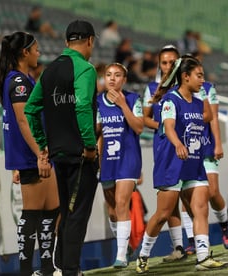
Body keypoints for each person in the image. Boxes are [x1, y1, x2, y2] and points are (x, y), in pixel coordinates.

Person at [136, 56, 228, 274]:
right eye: (199, 76)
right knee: (162, 214)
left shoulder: (197, 102)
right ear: (185, 77)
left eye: (203, 76)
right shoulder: (171, 100)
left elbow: (208, 115)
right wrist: (178, 144)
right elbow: (168, 127)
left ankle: (203, 256)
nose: (202, 80)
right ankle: (143, 254)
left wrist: (204, 93)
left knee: (200, 209)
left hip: (194, 163)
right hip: (172, 163)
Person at [24, 20, 98, 276]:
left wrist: (43, 144)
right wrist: (89, 146)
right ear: (90, 40)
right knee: (77, 215)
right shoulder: (85, 69)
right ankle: (70, 270)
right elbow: (82, 107)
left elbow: (31, 109)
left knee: (66, 214)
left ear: (66, 42)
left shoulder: (49, 70)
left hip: (58, 154)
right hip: (80, 156)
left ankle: (62, 268)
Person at [0, 31, 59, 276]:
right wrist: (40, 155)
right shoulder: (19, 82)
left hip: (33, 154)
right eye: (36, 49)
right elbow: (23, 122)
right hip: (31, 156)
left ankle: (45, 268)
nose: (39, 53)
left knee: (51, 210)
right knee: (32, 214)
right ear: (25, 52)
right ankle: (26, 270)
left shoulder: (21, 78)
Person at [142, 45, 188, 262]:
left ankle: (201, 245)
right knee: (170, 203)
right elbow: (145, 118)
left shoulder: (188, 86)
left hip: (189, 149)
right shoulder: (152, 88)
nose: (168, 66)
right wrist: (165, 125)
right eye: (164, 62)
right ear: (159, 65)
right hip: (165, 150)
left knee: (192, 198)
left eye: (172, 62)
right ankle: (179, 247)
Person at [96, 62, 143, 268]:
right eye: (108, 75)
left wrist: (123, 105)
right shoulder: (97, 102)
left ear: (124, 79)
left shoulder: (133, 99)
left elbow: (139, 127)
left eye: (117, 75)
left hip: (128, 159)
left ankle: (121, 256)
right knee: (113, 210)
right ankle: (123, 245)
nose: (112, 78)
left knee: (122, 202)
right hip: (107, 160)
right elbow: (98, 134)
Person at [183, 61, 228, 255]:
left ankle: (224, 225)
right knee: (187, 198)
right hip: (187, 148)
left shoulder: (207, 89)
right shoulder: (176, 92)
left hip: (204, 145)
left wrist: (218, 143)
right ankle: (192, 240)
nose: (201, 78)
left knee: (212, 192)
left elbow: (212, 116)